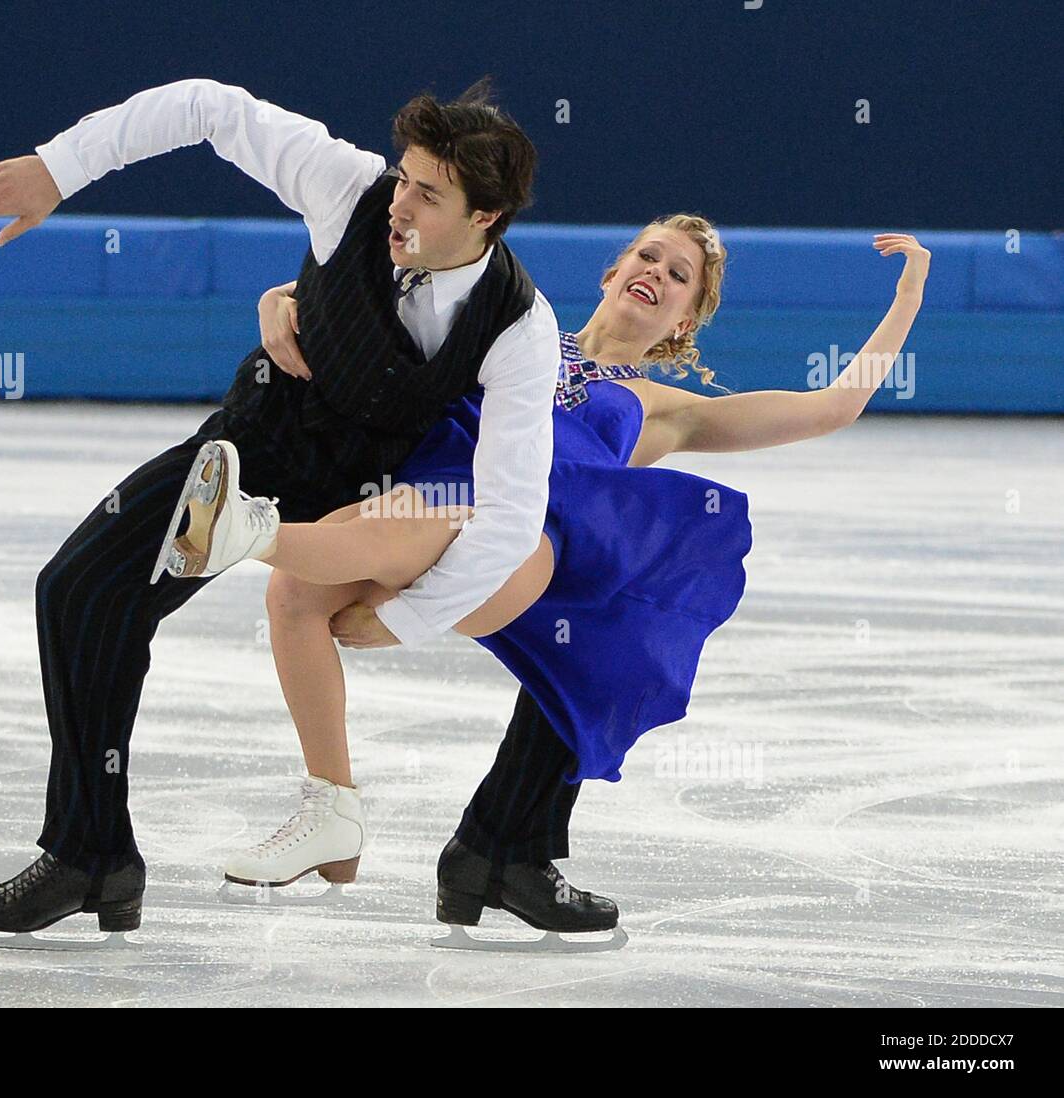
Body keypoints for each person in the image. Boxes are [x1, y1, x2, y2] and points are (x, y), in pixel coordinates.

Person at [0, 76, 579, 939]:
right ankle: (94, 852)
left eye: (429, 195)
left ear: (487, 219)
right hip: (253, 445)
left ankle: (499, 841)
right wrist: (59, 169)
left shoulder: (520, 326)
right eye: (403, 178)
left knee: (580, 604)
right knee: (81, 590)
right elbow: (207, 106)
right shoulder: (344, 188)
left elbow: (506, 513)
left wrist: (407, 622)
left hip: (362, 499)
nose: (401, 205)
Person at [185, 221, 930, 938]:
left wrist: (908, 300)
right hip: (431, 494)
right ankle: (334, 806)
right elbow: (387, 295)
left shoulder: (665, 409)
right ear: (611, 273)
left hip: (526, 549)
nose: (656, 275)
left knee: (441, 535)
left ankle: (249, 532)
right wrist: (278, 297)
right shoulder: (516, 334)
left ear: (683, 321)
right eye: (648, 256)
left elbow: (833, 406)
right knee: (293, 596)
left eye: (679, 277)